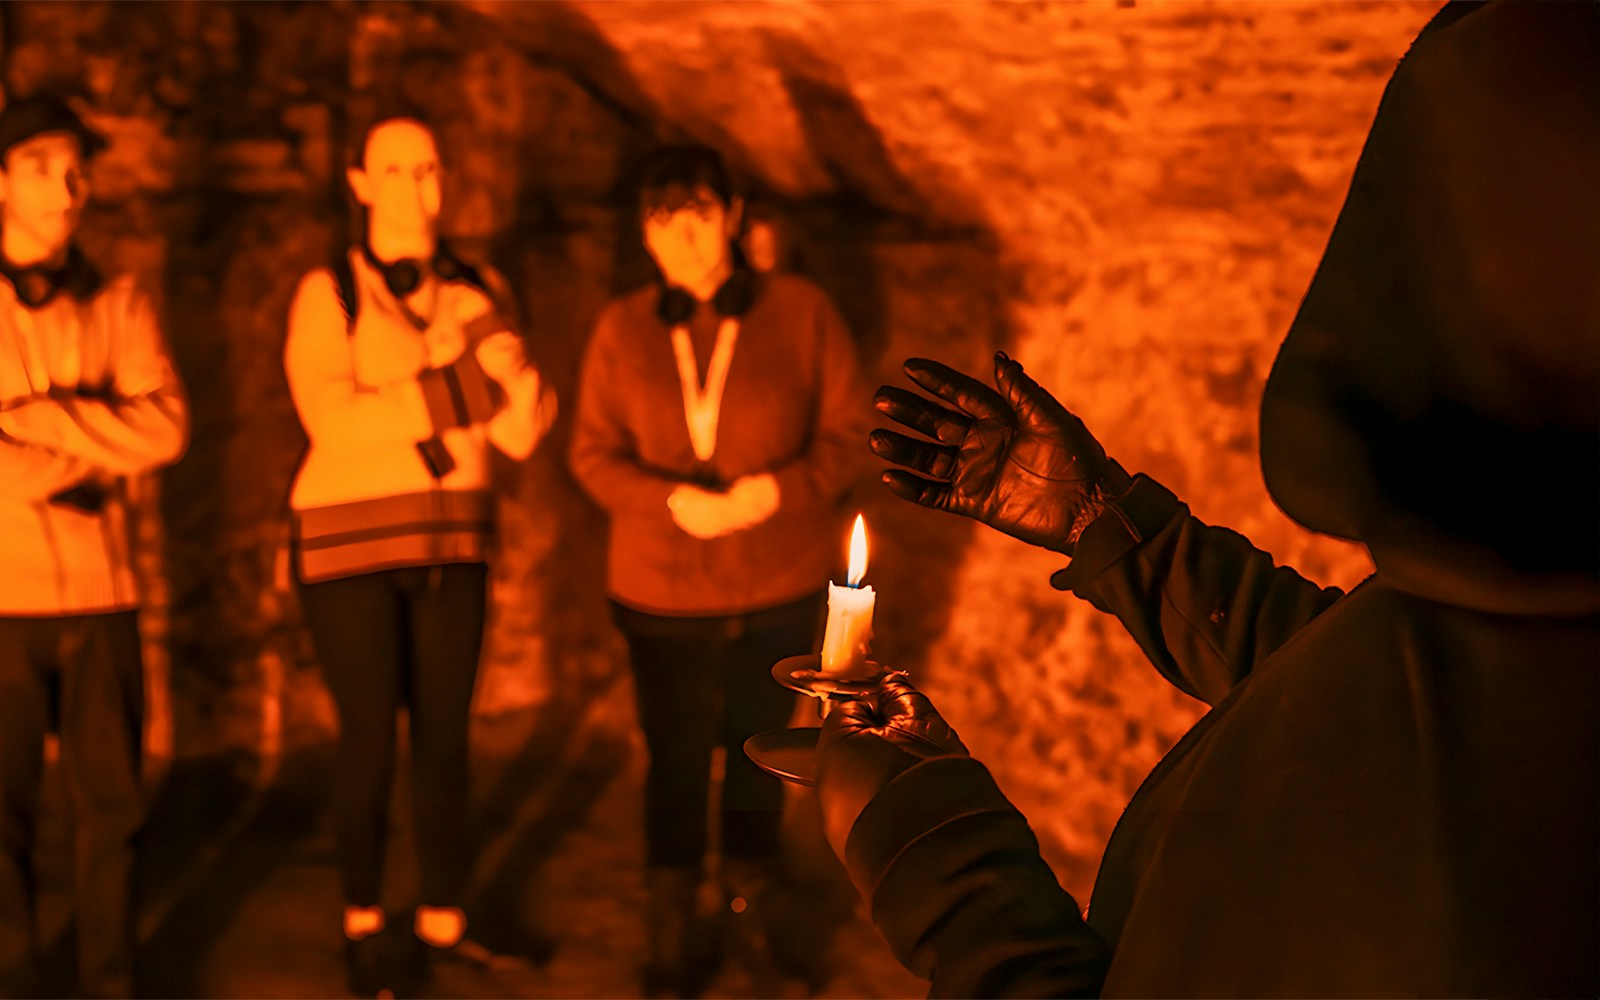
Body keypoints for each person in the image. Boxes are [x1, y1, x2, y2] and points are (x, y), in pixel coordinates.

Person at [816, 2, 1598, 997]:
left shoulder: (1511, 882)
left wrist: (928, 842)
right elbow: (1364, 687)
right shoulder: (1532, 599)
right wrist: (1110, 526)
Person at [569, 143, 868, 996]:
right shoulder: (620, 327)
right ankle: (670, 919)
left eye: (699, 213)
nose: (685, 237)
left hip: (776, 580)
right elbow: (589, 455)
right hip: (659, 591)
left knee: (755, 752)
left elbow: (847, 433)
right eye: (664, 219)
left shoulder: (803, 312)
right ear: (644, 234)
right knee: (670, 757)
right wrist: (670, 502)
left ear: (732, 216)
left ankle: (746, 905)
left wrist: (779, 490)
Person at [283, 111, 555, 996]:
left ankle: (445, 916)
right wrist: (458, 387)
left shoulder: (481, 289)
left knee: (445, 738)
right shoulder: (327, 293)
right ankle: (364, 920)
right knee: (369, 738)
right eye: (395, 170)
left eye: (430, 168)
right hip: (346, 546)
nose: (416, 186)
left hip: (455, 542)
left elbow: (517, 434)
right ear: (360, 183)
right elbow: (333, 421)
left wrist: (520, 383)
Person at [0, 93, 189, 998]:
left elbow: (169, 429)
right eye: (40, 164)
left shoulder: (121, 297)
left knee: (112, 809)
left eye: (76, 166)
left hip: (105, 595)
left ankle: (109, 982)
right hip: (4, 599)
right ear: (0, 178)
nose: (67, 185)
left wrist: (43, 423)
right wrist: (96, 445)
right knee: (2, 816)